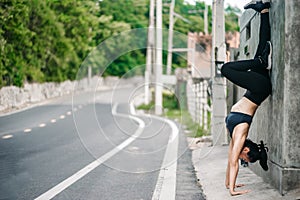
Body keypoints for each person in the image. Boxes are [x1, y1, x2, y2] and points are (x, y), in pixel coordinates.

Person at [220, 1, 271, 196]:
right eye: (246, 160)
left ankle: (264, 10)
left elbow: (229, 161)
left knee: (261, 45)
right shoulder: (241, 132)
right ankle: (259, 61)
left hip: (257, 88)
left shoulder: (237, 138)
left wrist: (228, 185)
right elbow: (234, 162)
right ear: (247, 151)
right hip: (259, 89)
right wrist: (233, 190)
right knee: (226, 69)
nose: (242, 160)